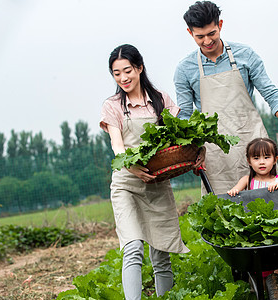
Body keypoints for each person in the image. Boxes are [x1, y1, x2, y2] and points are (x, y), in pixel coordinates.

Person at [174, 1, 278, 195]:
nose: (207, 41)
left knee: (268, 207)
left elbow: (272, 95)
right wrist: (191, 154)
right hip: (214, 152)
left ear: (220, 25)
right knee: (223, 214)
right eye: (200, 36)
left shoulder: (245, 55)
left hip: (254, 145)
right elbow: (185, 116)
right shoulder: (185, 69)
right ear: (190, 33)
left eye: (212, 33)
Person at [99, 44, 189, 300]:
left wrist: (196, 150)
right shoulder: (113, 105)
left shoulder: (160, 100)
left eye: (127, 70)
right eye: (116, 73)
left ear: (139, 68)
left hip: (156, 183)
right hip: (126, 184)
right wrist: (132, 167)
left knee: (161, 252)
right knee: (133, 248)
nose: (123, 78)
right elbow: (117, 145)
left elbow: (177, 136)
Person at [227, 137, 278, 299]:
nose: (262, 162)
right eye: (256, 158)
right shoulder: (247, 181)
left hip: (277, 235)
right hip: (254, 234)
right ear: (249, 161)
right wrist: (234, 192)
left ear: (275, 159)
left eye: (266, 157)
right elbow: (234, 192)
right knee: (257, 274)